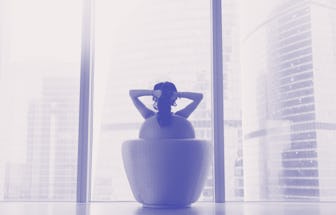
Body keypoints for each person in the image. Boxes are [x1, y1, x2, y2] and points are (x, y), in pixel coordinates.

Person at [129, 81, 203, 139]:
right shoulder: (181, 116)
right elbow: (199, 97)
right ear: (173, 99)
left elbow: (132, 94)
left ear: (155, 98)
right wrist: (178, 94)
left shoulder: (149, 116)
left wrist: (153, 93)